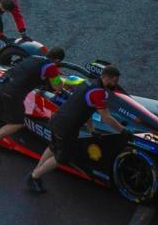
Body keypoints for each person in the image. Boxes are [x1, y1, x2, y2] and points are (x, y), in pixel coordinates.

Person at [27, 65, 131, 193]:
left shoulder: (88, 83)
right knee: (62, 158)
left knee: (53, 147)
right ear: (107, 78)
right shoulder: (99, 92)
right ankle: (34, 177)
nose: (116, 84)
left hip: (57, 119)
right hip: (67, 126)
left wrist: (91, 129)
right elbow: (106, 117)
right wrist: (123, 131)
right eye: (115, 81)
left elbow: (87, 110)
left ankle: (35, 171)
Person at [0, 47, 66, 161]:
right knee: (18, 123)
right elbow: (57, 87)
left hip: (1, 83)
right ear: (58, 61)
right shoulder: (51, 67)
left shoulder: (34, 58)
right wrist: (58, 79)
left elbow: (31, 71)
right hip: (13, 92)